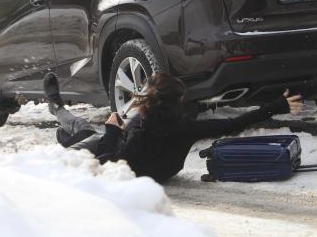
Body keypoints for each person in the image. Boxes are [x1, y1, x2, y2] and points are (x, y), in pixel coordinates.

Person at [44, 72, 303, 182]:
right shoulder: (186, 127)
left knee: (84, 130)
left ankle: (57, 107)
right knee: (83, 131)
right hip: (163, 173)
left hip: (128, 165)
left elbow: (111, 163)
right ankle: (62, 121)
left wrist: (113, 130)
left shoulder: (140, 132)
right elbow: (234, 123)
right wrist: (275, 106)